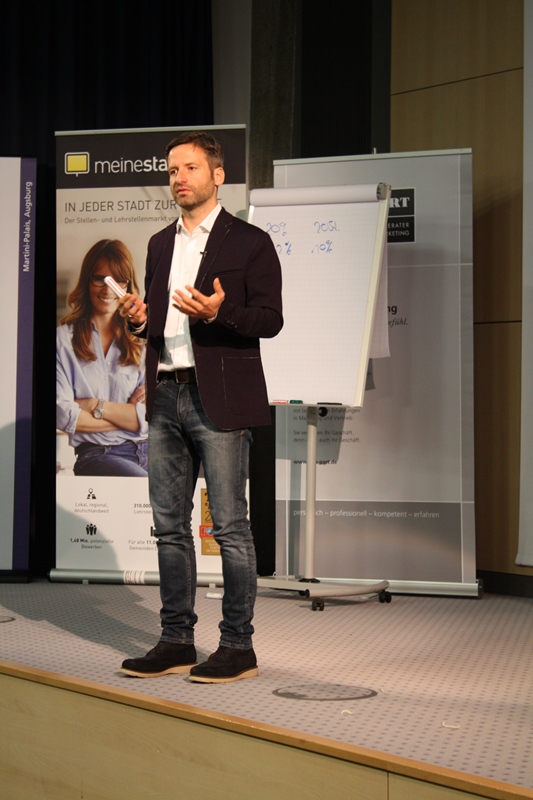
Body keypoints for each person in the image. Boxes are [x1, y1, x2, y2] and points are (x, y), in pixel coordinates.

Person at [119, 131, 283, 683]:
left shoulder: (250, 242)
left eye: (189, 167)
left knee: (230, 527)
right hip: (166, 391)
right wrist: (140, 320)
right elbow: (160, 325)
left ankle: (238, 646)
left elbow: (270, 320)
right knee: (169, 527)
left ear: (217, 175)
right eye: (171, 170)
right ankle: (176, 640)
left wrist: (219, 312)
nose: (178, 178)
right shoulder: (159, 243)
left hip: (221, 397)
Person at [56, 239, 148, 477]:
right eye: (100, 279)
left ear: (127, 285)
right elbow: (63, 414)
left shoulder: (141, 340)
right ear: (87, 281)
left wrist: (94, 406)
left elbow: (152, 418)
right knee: (147, 491)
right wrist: (129, 415)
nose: (108, 290)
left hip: (151, 451)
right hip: (98, 454)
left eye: (118, 280)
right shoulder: (63, 340)